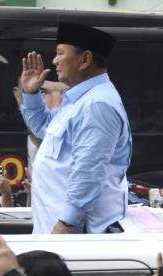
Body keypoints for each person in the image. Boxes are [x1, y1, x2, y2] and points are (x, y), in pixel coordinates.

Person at [20, 22, 131, 234]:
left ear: (85, 59)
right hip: (57, 228)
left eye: (60, 53)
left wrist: (68, 222)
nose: (54, 61)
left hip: (76, 233)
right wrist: (31, 92)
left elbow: (89, 170)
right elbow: (43, 127)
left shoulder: (97, 105)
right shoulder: (81, 100)